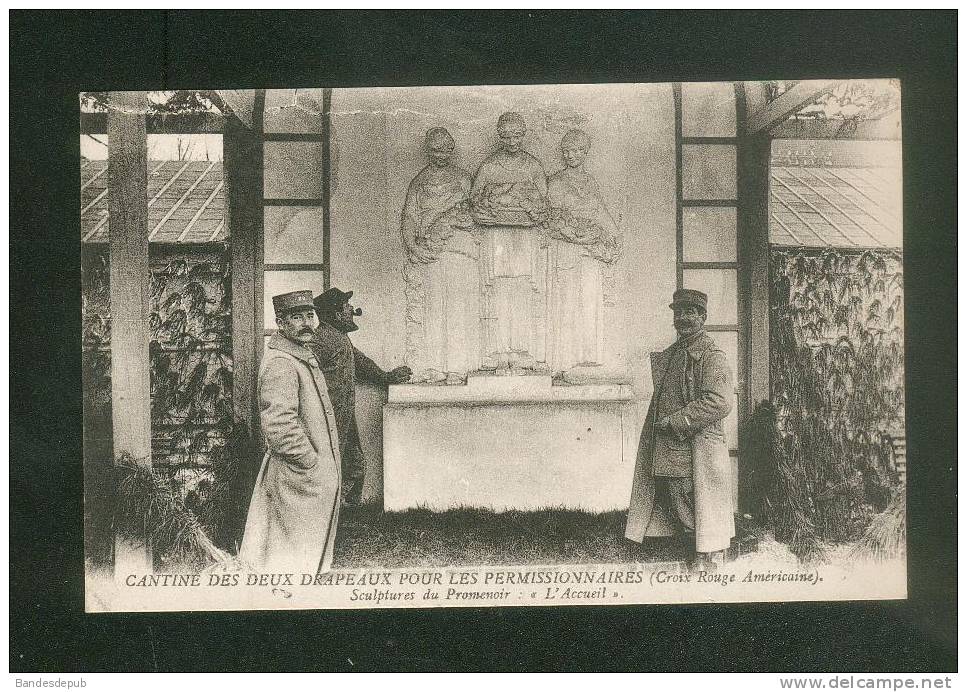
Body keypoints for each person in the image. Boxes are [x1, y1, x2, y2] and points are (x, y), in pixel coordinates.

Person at [625, 289, 735, 570]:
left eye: (689, 312)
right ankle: (696, 557)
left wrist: (677, 421)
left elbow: (719, 402)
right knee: (676, 503)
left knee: (695, 503)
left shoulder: (712, 356)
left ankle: (709, 561)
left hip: (695, 446)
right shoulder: (674, 354)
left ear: (702, 317)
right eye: (678, 313)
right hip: (669, 447)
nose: (682, 318)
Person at [239, 290, 342, 574]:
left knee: (297, 553)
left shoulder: (297, 355)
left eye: (310, 315)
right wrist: (311, 463)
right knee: (289, 558)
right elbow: (280, 425)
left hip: (303, 477)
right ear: (281, 323)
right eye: (297, 317)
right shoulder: (282, 363)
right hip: (296, 477)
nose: (307, 322)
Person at [310, 287, 412, 506]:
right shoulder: (322, 340)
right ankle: (326, 513)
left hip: (342, 416)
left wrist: (387, 376)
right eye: (346, 306)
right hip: (328, 418)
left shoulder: (339, 337)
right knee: (332, 467)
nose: (351, 310)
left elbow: (361, 363)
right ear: (337, 314)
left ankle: (344, 512)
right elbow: (303, 373)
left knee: (354, 464)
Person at [400, 127, 481, 382]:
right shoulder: (420, 182)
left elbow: (477, 213)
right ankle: (433, 365)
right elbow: (410, 217)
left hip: (459, 252)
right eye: (435, 150)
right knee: (434, 308)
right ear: (428, 151)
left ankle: (459, 366)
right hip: (432, 254)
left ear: (452, 149)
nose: (441, 155)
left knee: (459, 308)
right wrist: (414, 246)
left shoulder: (463, 179)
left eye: (446, 150)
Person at [470, 111, 549, 371]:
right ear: (499, 136)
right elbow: (474, 202)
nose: (512, 141)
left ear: (523, 135)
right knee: (499, 290)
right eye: (506, 136)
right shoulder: (490, 166)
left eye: (517, 135)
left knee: (524, 290)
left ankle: (523, 349)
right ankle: (499, 350)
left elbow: (544, 204)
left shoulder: (533, 166)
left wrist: (528, 209)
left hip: (525, 238)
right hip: (497, 238)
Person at [546, 128, 621, 374]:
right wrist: (575, 233)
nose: (572, 155)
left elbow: (600, 212)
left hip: (589, 252)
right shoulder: (556, 182)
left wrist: (613, 235)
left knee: (589, 300)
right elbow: (551, 218)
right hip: (567, 249)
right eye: (567, 150)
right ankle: (564, 360)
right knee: (567, 302)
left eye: (577, 150)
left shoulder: (589, 182)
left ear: (585, 153)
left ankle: (587, 357)